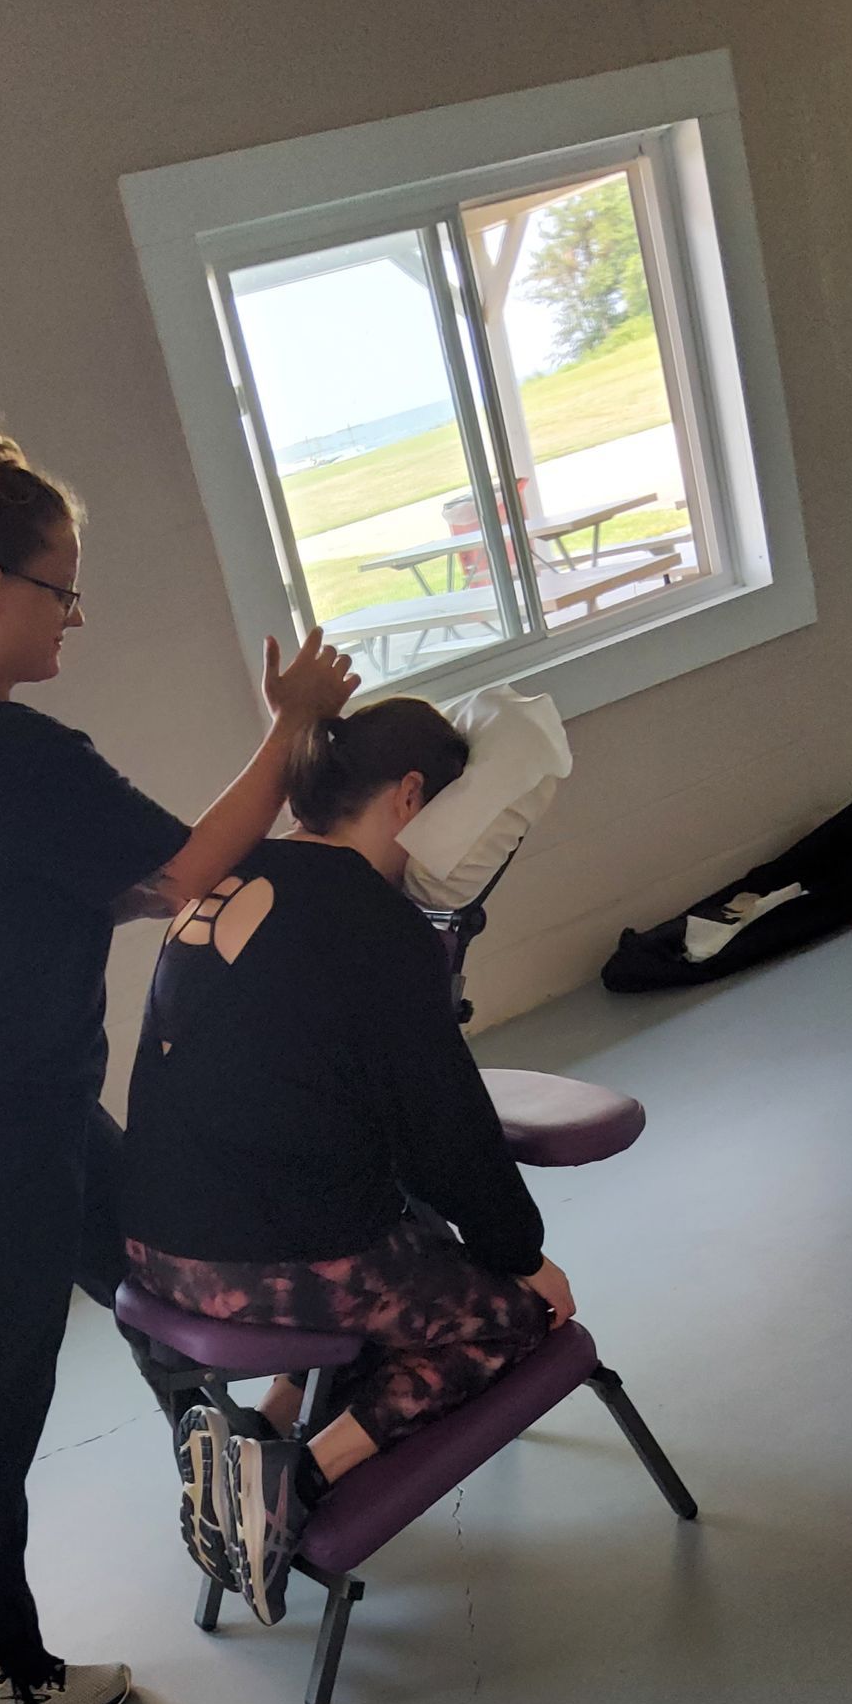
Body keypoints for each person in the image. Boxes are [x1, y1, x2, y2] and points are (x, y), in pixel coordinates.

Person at [0, 410, 357, 1704]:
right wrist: (293, 729)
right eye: (61, 592)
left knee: (163, 1287)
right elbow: (186, 873)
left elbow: (116, 888)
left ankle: (235, 1486)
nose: (72, 621)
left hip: (19, 1107)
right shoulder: (5, 757)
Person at [120, 697, 577, 1627]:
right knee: (519, 1315)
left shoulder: (231, 874)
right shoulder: (374, 921)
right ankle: (293, 1481)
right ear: (412, 797)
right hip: (269, 1266)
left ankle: (273, 1421)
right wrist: (525, 1255)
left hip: (154, 1249)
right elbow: (444, 1128)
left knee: (401, 1254)